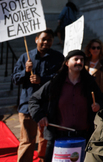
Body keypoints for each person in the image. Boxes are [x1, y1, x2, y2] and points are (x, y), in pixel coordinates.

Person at [29, 50, 103, 162]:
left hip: (84, 137)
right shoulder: (55, 83)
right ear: (67, 63)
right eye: (76, 59)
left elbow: (100, 100)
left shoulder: (90, 83)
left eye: (82, 60)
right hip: (58, 138)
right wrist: (40, 116)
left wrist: (98, 105)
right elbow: (34, 100)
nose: (79, 62)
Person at [12, 29, 64, 162]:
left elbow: (61, 78)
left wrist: (43, 79)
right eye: (43, 39)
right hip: (27, 106)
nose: (46, 42)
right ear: (36, 40)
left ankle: (43, 159)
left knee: (45, 139)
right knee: (27, 140)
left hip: (48, 105)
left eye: (49, 40)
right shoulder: (25, 57)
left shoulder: (58, 58)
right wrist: (25, 71)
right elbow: (15, 79)